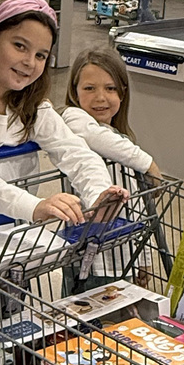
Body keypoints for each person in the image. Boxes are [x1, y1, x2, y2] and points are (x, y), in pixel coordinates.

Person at [0, 0, 126, 226]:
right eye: (20, 46)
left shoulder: (34, 108)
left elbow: (75, 151)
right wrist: (34, 206)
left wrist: (98, 193)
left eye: (41, 55)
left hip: (15, 235)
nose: (30, 62)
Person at [61, 47, 163, 292]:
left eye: (110, 88)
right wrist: (148, 163)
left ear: (122, 92)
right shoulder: (73, 118)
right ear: (75, 93)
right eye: (89, 88)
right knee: (79, 320)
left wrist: (145, 260)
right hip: (85, 254)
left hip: (123, 256)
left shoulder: (122, 141)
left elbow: (139, 207)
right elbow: (92, 135)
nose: (100, 97)